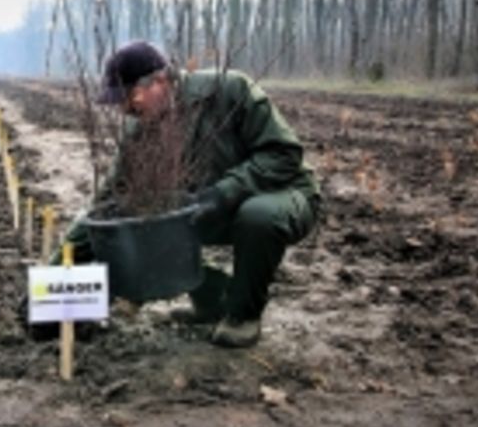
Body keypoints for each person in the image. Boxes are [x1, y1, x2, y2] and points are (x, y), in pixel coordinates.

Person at [54, 40, 320, 348]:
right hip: (210, 206)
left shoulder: (228, 90)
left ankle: (243, 315)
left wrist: (223, 193)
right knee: (146, 219)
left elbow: (284, 154)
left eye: (128, 97)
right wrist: (53, 275)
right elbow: (108, 204)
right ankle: (213, 299)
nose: (125, 109)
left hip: (282, 192)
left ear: (160, 81)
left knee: (257, 216)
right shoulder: (140, 131)